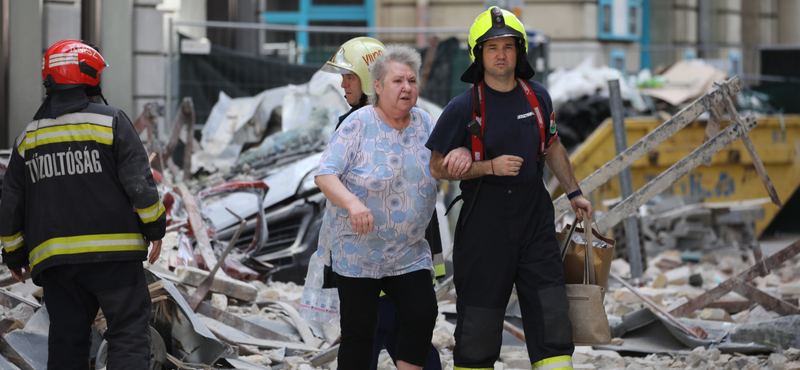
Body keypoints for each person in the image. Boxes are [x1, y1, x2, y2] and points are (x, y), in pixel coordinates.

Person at [425, 7, 593, 370]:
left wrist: (574, 192)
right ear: (478, 55)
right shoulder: (462, 107)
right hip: (485, 228)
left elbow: (552, 145)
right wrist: (488, 167)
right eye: (491, 48)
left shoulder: (538, 97)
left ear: (519, 52)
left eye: (507, 46)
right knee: (478, 329)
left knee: (552, 319)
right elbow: (436, 165)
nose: (500, 54)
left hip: (535, 224)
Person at [0, 40, 166, 369]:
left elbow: (10, 206)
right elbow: (141, 186)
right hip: (115, 259)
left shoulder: (27, 139)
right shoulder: (112, 122)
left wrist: (15, 256)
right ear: (89, 76)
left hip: (58, 266)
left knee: (67, 341)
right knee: (128, 334)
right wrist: (155, 228)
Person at [320, 36, 444, 370]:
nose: (406, 87)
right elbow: (325, 174)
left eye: (412, 80)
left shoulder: (425, 122)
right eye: (398, 80)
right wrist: (353, 204)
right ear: (378, 85)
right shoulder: (356, 124)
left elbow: (441, 162)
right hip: (358, 252)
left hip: (408, 251)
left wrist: (461, 156)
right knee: (362, 333)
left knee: (422, 312)